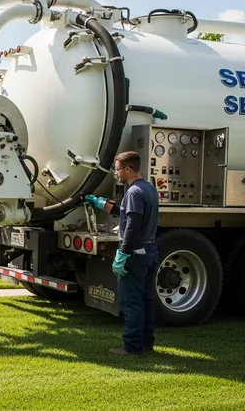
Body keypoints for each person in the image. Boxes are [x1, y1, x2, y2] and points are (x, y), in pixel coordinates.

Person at [85, 150, 160, 356]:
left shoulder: (134, 192)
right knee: (145, 300)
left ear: (128, 169)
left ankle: (131, 347)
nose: (116, 173)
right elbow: (130, 214)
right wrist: (105, 206)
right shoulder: (148, 188)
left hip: (135, 253)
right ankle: (146, 344)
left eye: (117, 169)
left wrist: (123, 253)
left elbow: (133, 225)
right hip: (150, 250)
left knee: (131, 303)